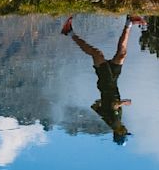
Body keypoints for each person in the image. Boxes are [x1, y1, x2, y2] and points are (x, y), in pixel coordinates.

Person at [61, 14, 144, 144]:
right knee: (121, 55)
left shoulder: (115, 123)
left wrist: (123, 103)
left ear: (119, 133)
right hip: (111, 83)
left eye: (124, 133)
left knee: (97, 54)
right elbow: (94, 106)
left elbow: (113, 105)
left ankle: (69, 32)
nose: (126, 130)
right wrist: (104, 99)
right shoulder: (110, 121)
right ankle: (129, 22)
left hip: (107, 84)